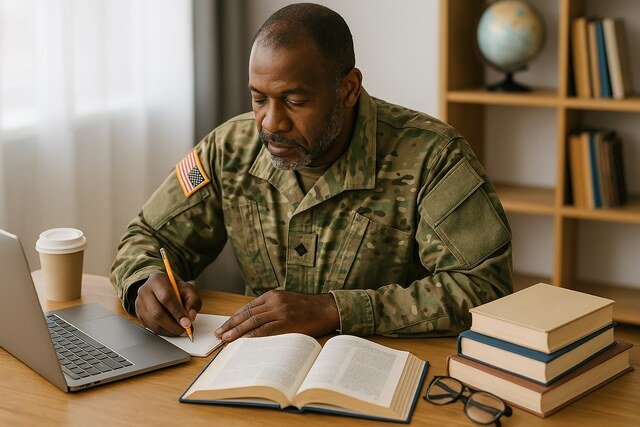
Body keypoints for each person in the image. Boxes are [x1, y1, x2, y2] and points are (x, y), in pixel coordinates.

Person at [110, 3, 513, 343]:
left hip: (382, 370)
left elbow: (485, 288)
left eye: (295, 100)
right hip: (255, 369)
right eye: (258, 98)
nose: (271, 122)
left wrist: (337, 310)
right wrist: (143, 282)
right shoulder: (227, 150)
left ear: (348, 89)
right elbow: (148, 236)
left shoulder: (433, 157)